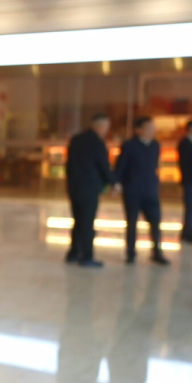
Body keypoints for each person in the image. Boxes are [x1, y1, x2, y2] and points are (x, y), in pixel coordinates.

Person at [114, 116, 169, 265]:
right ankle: (131, 253)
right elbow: (121, 166)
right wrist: (117, 183)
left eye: (153, 128)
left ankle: (157, 252)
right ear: (138, 130)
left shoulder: (155, 145)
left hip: (151, 190)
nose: (151, 131)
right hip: (132, 190)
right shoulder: (129, 146)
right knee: (132, 222)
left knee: (155, 222)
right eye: (148, 128)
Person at [64, 114, 114, 268]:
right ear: (99, 126)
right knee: (87, 223)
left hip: (74, 187)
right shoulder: (97, 143)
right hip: (90, 188)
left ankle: (73, 253)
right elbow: (103, 165)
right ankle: (87, 256)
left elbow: (69, 164)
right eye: (106, 127)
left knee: (78, 220)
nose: (106, 130)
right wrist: (113, 182)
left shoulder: (76, 139)